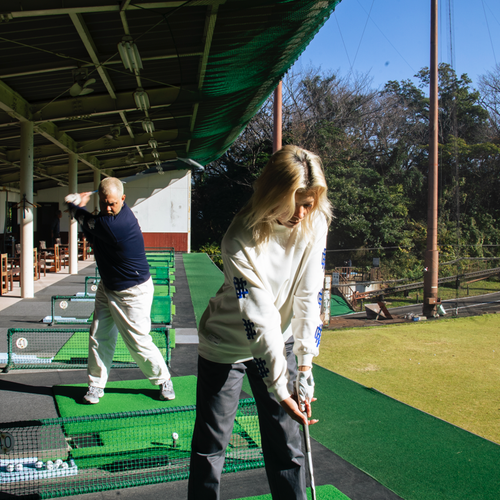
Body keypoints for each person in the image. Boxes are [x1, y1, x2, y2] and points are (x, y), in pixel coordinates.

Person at [188, 145, 332, 500]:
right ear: (272, 195)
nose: (301, 213)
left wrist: (306, 362)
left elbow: (308, 296)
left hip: (278, 341)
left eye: (309, 203)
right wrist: (280, 387)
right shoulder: (239, 237)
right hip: (225, 344)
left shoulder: (316, 224)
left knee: (287, 443)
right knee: (212, 445)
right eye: (295, 202)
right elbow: (259, 314)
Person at [64, 177, 175, 404]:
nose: (108, 207)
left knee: (138, 341)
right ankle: (96, 385)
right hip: (108, 286)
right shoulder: (105, 218)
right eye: (104, 203)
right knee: (98, 335)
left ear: (123, 199)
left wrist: (74, 206)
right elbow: (92, 233)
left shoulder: (117, 224)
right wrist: (78, 208)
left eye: (113, 203)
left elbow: (87, 222)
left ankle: (164, 379)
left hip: (132, 291)